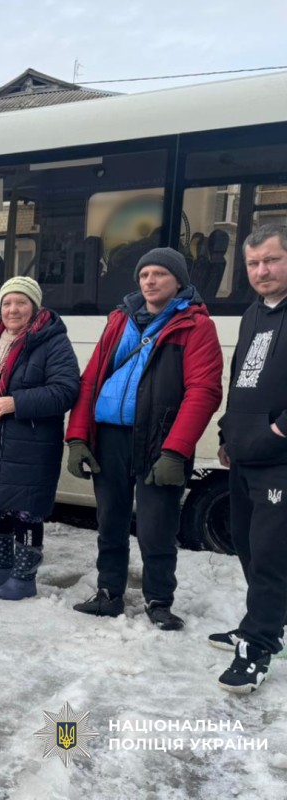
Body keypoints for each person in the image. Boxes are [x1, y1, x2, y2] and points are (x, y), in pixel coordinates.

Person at [67, 247, 223, 629]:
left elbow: (204, 390)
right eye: (144, 275)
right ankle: (109, 593)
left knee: (157, 526)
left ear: (179, 280)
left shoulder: (195, 325)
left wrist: (177, 449)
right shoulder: (120, 320)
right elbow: (92, 380)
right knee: (111, 521)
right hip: (111, 437)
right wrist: (77, 437)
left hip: (160, 441)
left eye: (159, 274)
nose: (150, 281)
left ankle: (158, 600)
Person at [0, 277, 80, 600]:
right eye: (7, 303)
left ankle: (24, 577)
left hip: (29, 445)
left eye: (21, 302)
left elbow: (66, 391)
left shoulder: (51, 340)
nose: (13, 309)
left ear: (34, 306)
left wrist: (17, 403)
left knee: (24, 510)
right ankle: (1, 567)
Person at [213, 225, 287, 693]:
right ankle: (264, 619)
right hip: (244, 455)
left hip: (280, 458)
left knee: (269, 555)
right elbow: (241, 375)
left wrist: (278, 429)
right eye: (254, 264)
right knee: (243, 542)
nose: (262, 271)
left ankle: (258, 644)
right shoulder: (251, 314)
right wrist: (227, 430)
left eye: (272, 261)